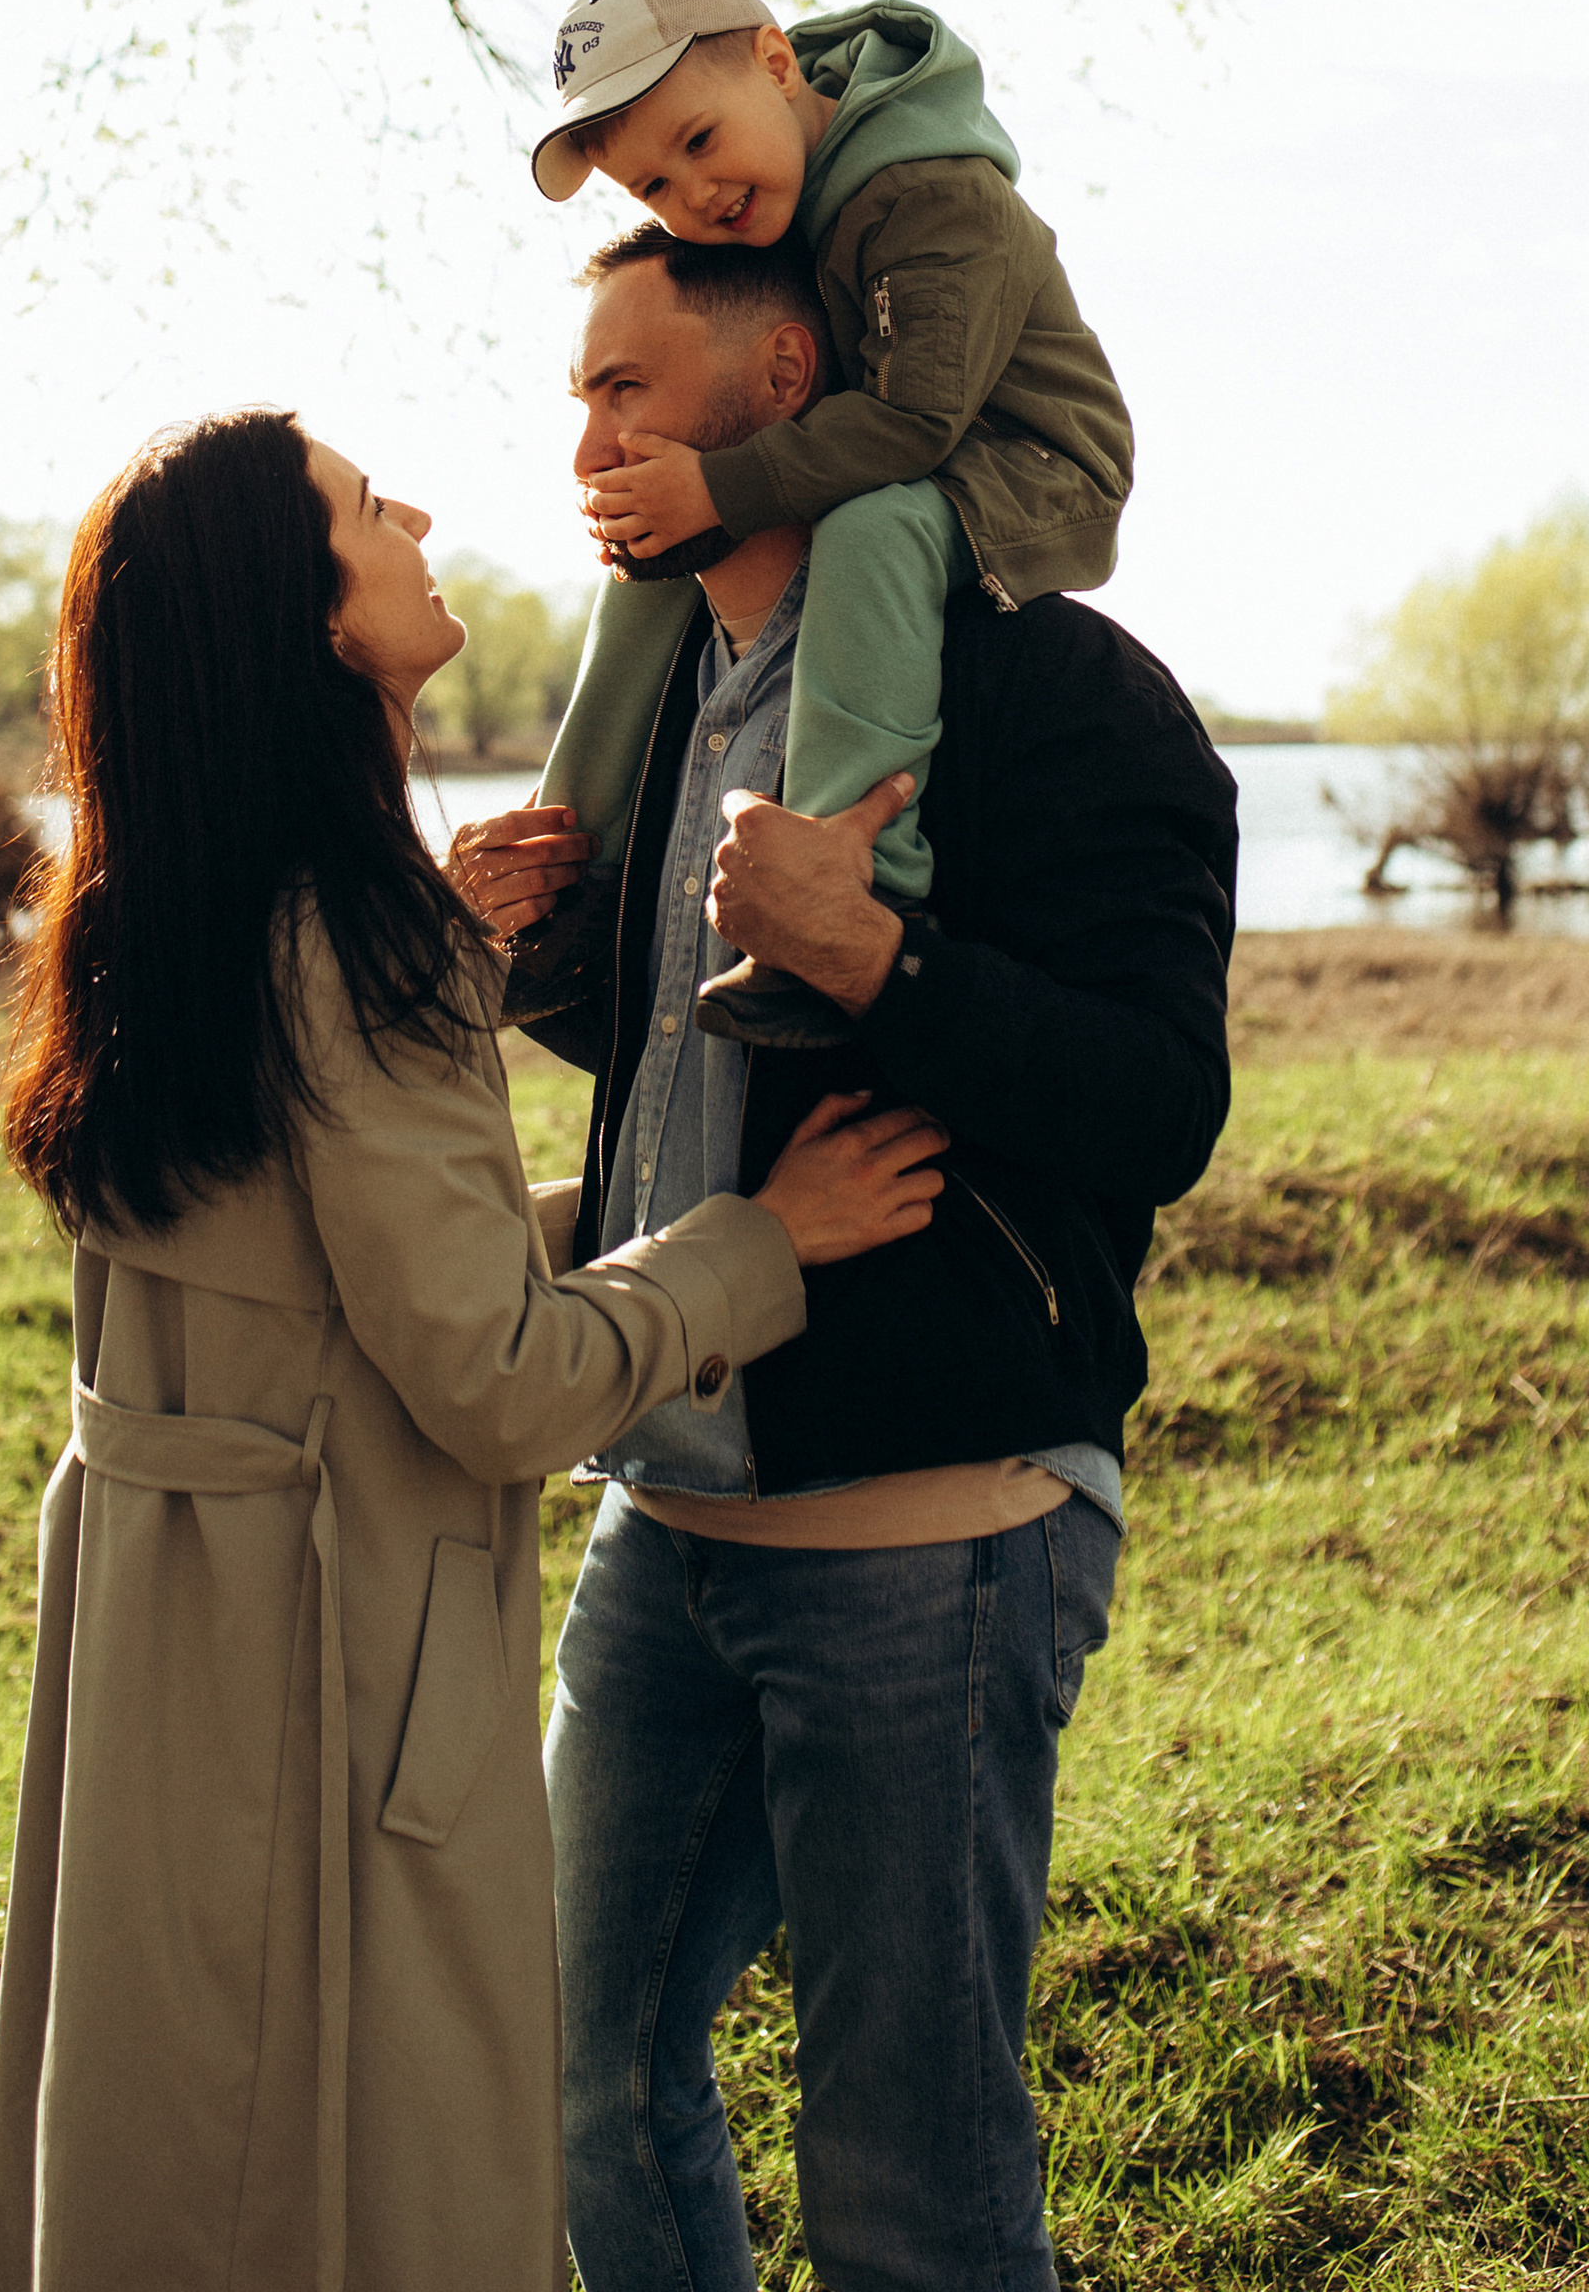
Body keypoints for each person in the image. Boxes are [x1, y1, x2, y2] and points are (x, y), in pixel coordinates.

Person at [0, 408, 949, 2292]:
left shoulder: (165, 908)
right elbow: (498, 1387)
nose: (412, 511)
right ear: (310, 621)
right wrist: (762, 1244)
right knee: (356, 2167)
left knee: (178, 2140)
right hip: (321, 1677)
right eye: (360, 507)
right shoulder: (351, 944)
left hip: (163, 1651)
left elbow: (328, 1287)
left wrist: (619, 1194)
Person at [451, 228, 1235, 2292]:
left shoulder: (1052, 689)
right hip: (665, 1519)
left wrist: (871, 956)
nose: (582, 436)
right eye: (575, 397)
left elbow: (1155, 1107)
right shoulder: (652, 707)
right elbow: (676, 1081)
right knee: (570, 2076)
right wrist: (535, 953)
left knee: (912, 2183)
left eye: (625, 388)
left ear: (784, 376)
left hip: (931, 1534)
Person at [528, 0, 1134, 1036]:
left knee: (872, 522)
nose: (693, 198)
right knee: (655, 546)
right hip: (899, 451)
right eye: (653, 189)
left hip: (1032, 467)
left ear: (775, 61)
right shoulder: (782, 200)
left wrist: (718, 480)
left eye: (699, 142)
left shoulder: (928, 191)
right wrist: (687, 499)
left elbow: (912, 423)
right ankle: (571, 873)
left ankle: (853, 874)